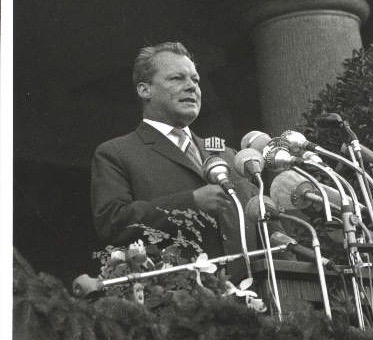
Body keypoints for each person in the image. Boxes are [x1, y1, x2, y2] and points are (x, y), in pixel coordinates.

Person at [91, 42, 257, 265]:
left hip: (252, 291)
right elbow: (112, 223)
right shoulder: (116, 153)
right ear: (144, 90)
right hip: (178, 294)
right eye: (176, 78)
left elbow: (264, 223)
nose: (192, 87)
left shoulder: (228, 155)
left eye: (195, 80)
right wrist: (190, 202)